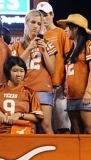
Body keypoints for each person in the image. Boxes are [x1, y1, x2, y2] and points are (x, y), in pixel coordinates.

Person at [12, 10, 57, 134]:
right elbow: (16, 66)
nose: (35, 26)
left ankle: (54, 153)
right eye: (33, 22)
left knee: (46, 126)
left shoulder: (47, 44)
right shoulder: (17, 45)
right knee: (29, 126)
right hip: (24, 89)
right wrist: (30, 48)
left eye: (39, 23)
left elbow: (52, 69)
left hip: (42, 88)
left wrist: (44, 50)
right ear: (26, 23)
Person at [59, 14, 91, 134]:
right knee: (76, 132)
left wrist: (88, 91)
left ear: (75, 28)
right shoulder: (71, 49)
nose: (65, 30)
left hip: (86, 96)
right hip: (72, 96)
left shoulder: (88, 44)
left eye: (67, 27)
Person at [0, 56, 43, 134]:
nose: (18, 74)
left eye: (21, 71)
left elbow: (38, 117)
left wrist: (20, 115)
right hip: (0, 133)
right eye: (15, 71)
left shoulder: (30, 93)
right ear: (8, 71)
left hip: (23, 134)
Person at [37, 2, 72, 134]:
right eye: (40, 15)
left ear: (52, 14)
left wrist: (67, 80)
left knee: (62, 122)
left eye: (45, 15)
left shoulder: (61, 33)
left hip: (59, 83)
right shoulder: (38, 35)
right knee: (46, 125)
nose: (43, 18)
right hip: (43, 86)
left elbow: (68, 57)